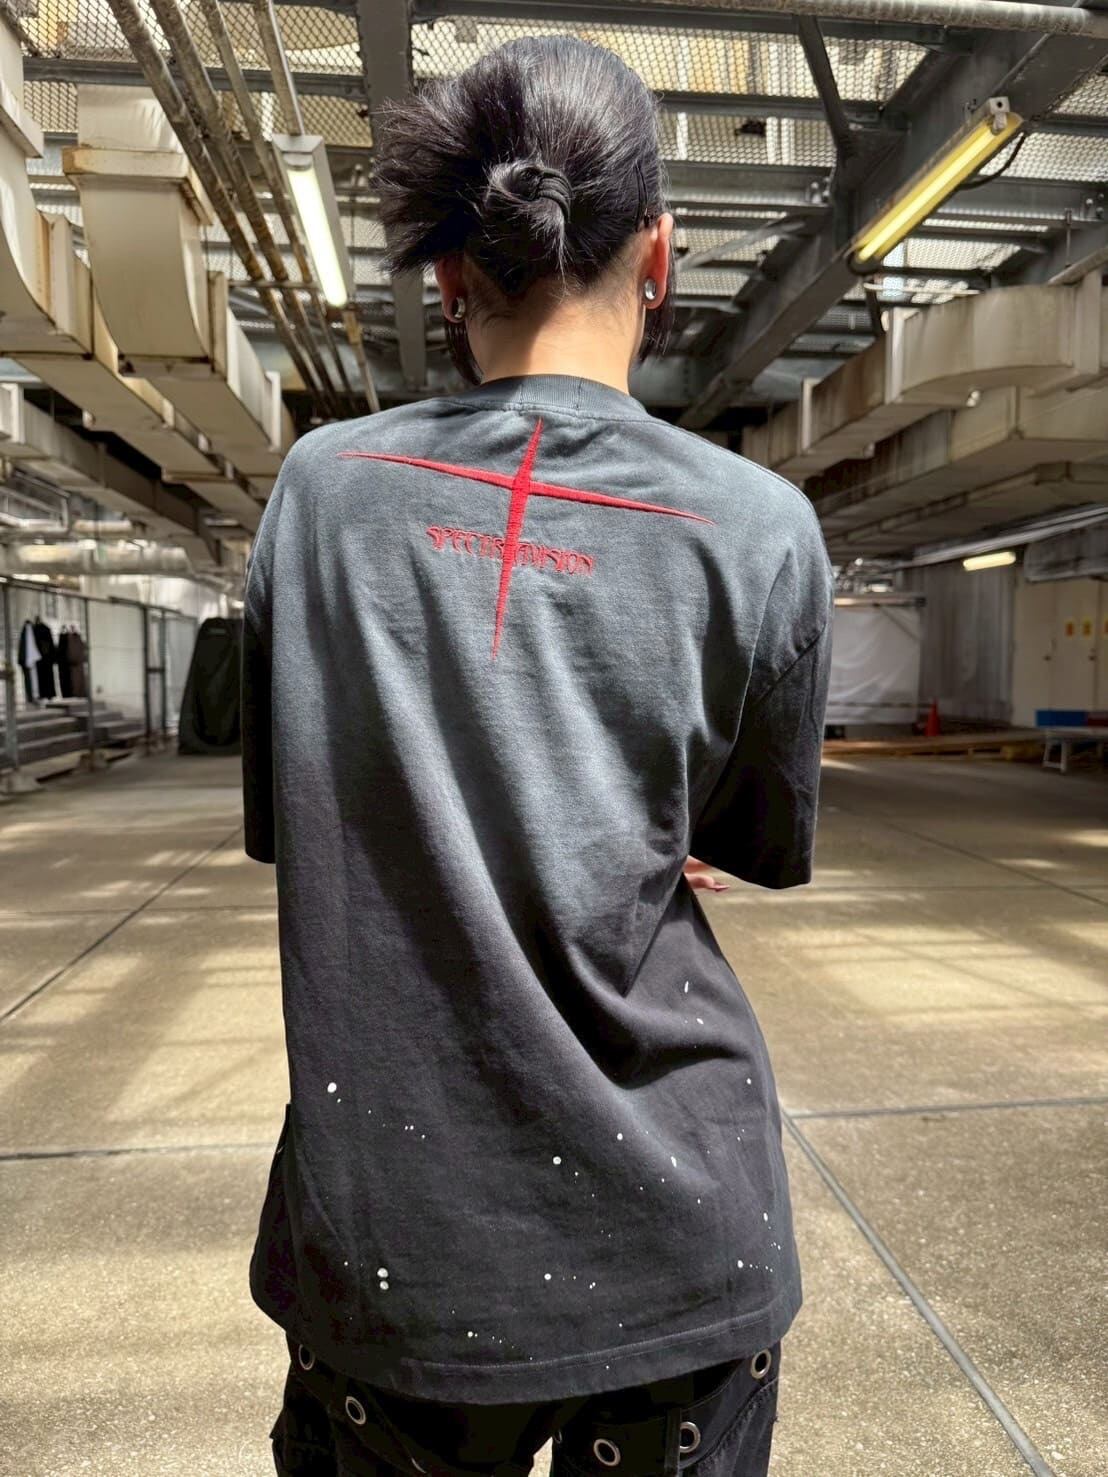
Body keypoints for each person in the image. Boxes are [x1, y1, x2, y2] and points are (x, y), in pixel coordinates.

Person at [241, 33, 834, 1477]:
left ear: (451, 275)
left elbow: (301, 816)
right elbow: (745, 841)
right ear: (661, 256)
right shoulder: (760, 531)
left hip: (401, 1247)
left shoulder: (322, 497)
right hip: (686, 1236)